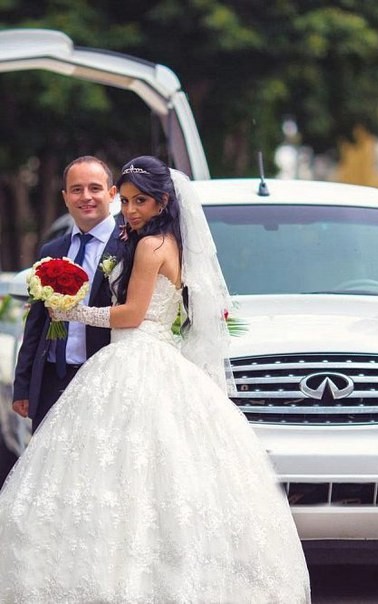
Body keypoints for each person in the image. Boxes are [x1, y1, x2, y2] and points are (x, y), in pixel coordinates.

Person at [0, 155, 311, 602]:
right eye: (126, 201)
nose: (129, 210)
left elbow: (132, 315)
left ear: (163, 201)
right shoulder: (163, 242)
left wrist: (73, 312)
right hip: (149, 356)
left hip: (135, 356)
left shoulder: (150, 246)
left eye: (139, 201)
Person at [12, 155, 121, 432]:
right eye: (76, 189)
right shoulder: (52, 250)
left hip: (104, 378)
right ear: (65, 197)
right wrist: (23, 385)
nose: (86, 197)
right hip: (52, 377)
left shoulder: (127, 246)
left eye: (95, 188)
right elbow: (35, 323)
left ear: (112, 194)